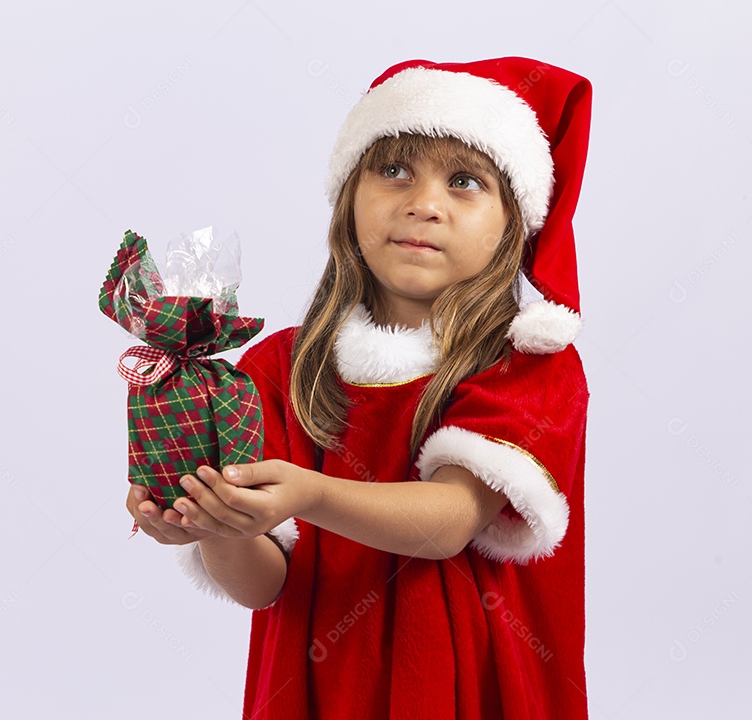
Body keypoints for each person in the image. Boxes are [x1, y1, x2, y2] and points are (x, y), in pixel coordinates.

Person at [126, 57, 593, 719]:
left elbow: (449, 523)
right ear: (349, 196)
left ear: (516, 223)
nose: (422, 203)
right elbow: (262, 586)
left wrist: (310, 491)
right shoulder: (280, 368)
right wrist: (217, 522)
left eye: (464, 181)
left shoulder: (528, 367)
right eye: (393, 169)